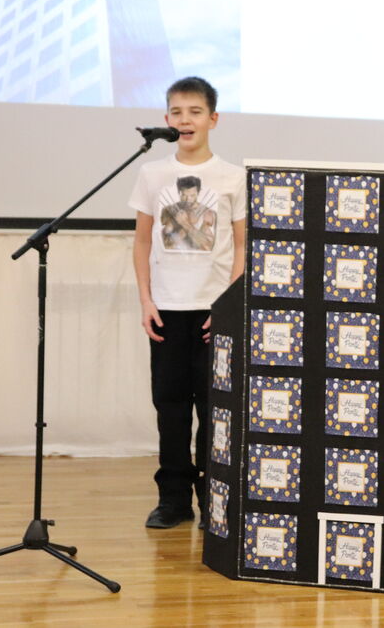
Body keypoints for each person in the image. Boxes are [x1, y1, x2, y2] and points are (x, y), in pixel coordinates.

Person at [128, 76, 247, 529]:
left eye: (195, 112)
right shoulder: (152, 174)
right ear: (166, 119)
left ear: (213, 119)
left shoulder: (233, 177)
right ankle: (174, 500)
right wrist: (146, 300)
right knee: (171, 408)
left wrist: (228, 306)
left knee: (214, 411)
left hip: (214, 313)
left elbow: (242, 245)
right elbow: (142, 242)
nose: (185, 120)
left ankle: (213, 499)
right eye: (176, 112)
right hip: (167, 310)